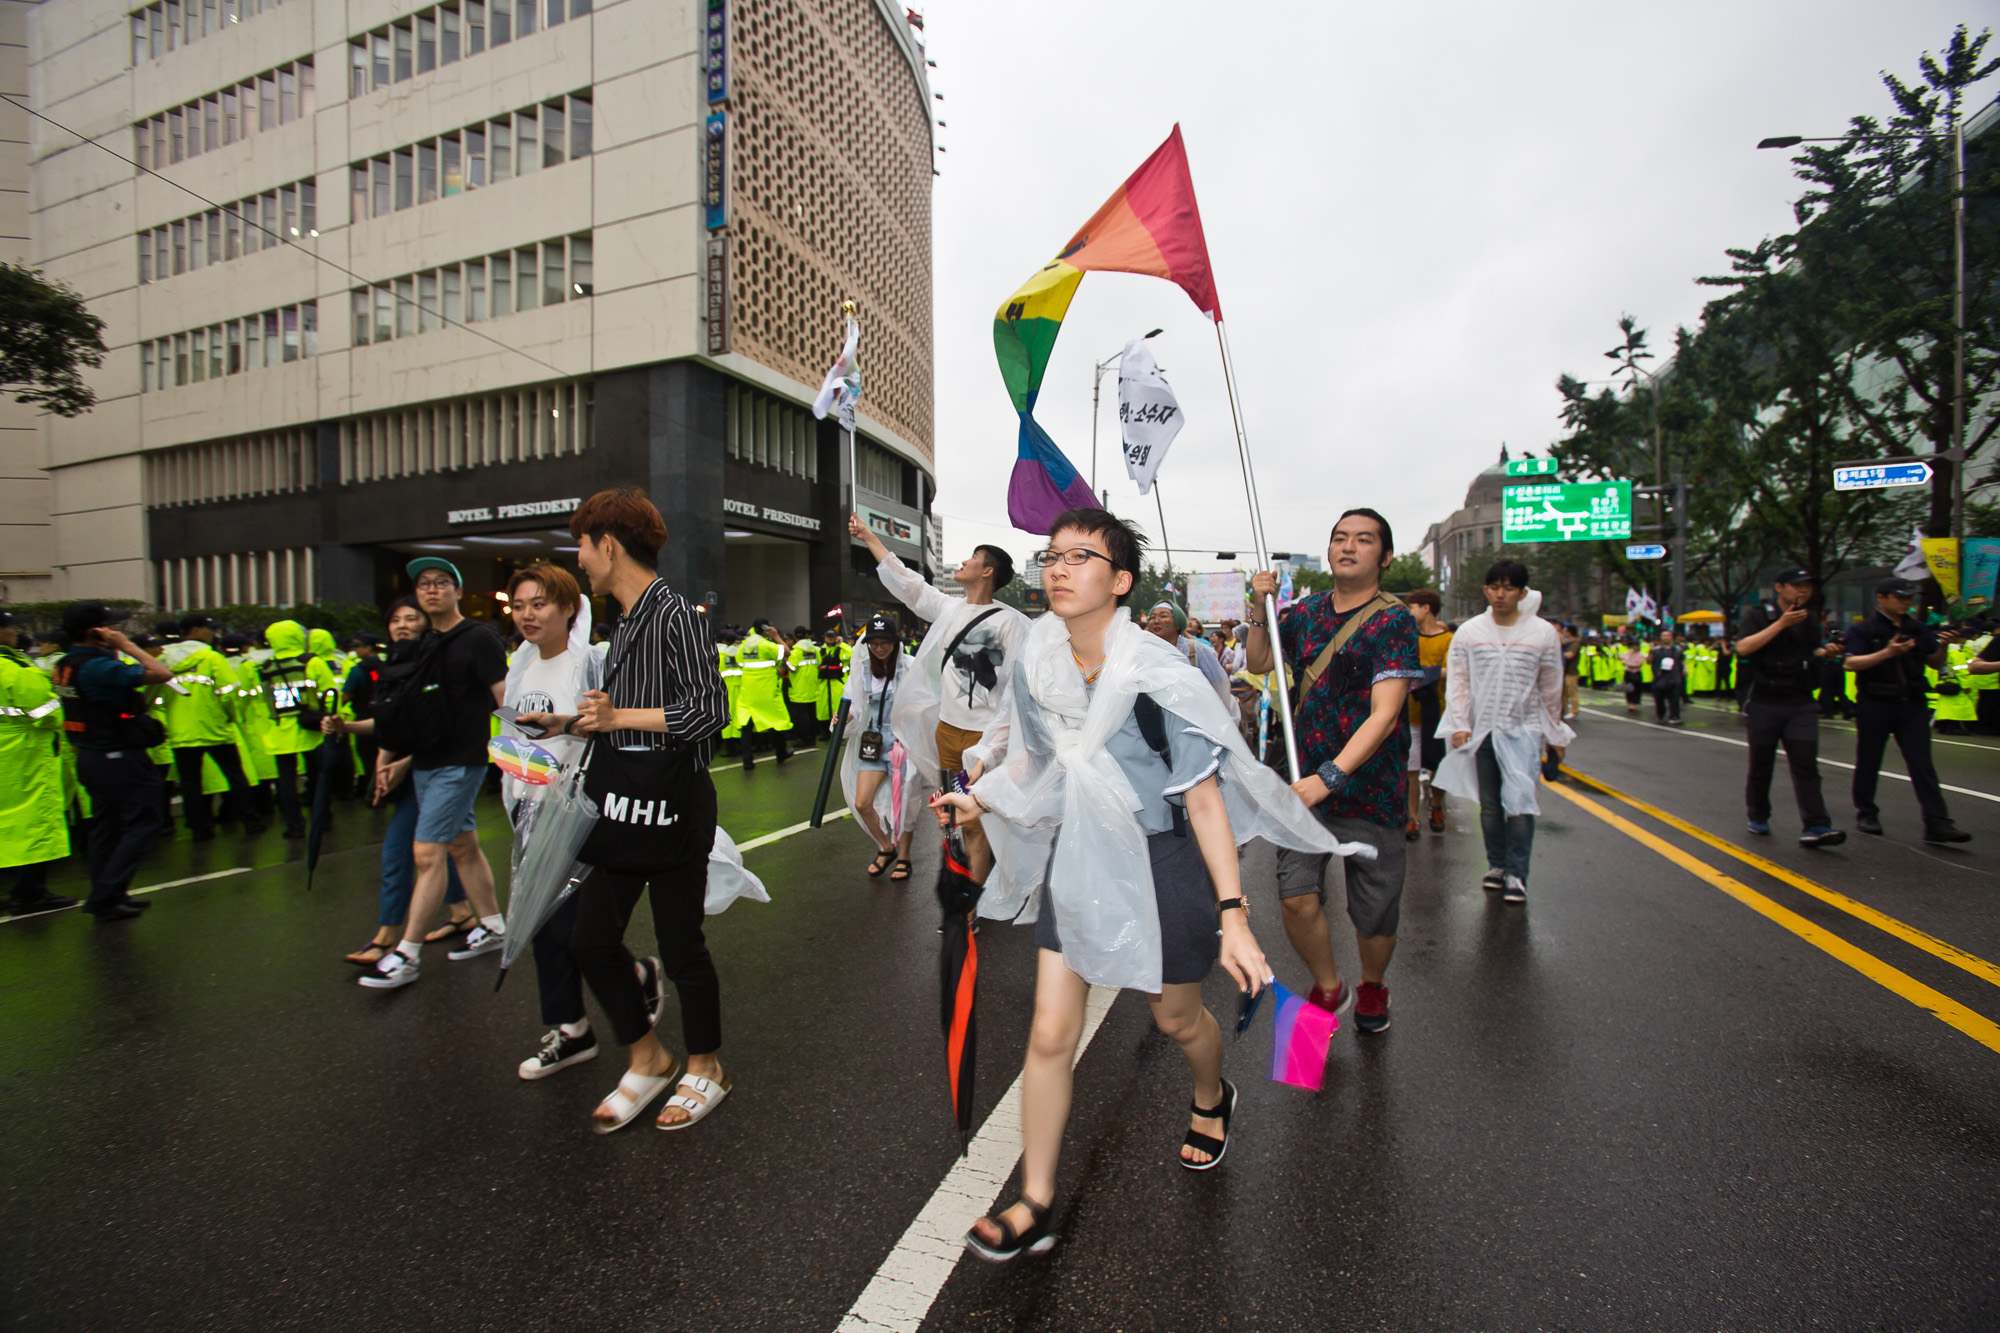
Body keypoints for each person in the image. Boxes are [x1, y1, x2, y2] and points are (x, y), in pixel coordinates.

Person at [934, 508, 1359, 1262]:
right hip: (1081, 855)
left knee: (1177, 1021)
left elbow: (1201, 798)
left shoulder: (1159, 674)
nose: (1059, 568)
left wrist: (1233, 911)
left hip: (1162, 858)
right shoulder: (1040, 665)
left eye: (1081, 556)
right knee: (1048, 1032)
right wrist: (982, 796)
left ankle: (1211, 1094)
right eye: (1053, 555)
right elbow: (1038, 763)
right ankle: (1034, 1197)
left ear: (1121, 580)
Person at [518, 487, 732, 1131]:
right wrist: (571, 721)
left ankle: (707, 1065)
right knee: (589, 941)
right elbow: (626, 723)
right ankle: (647, 1056)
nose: (579, 560)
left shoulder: (672, 612)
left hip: (671, 808)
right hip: (624, 803)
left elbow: (709, 712)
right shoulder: (631, 618)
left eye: (582, 546)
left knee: (680, 944)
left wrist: (618, 715)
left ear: (607, 544)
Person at [1245, 508, 1423, 1034]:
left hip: (1370, 792)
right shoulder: (1305, 613)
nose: (1348, 546)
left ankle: (1372, 983)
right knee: (1296, 899)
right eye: (1340, 538)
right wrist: (1260, 607)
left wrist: (1331, 778)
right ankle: (1328, 985)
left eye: (1363, 540)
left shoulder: (1394, 621)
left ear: (1384, 557)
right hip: (1304, 788)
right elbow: (1259, 662)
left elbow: (1385, 714)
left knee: (1374, 916)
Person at [499, 563, 671, 1080]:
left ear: (569, 607)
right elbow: (512, 736)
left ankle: (633, 978)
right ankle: (570, 1027)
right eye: (520, 605)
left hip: (578, 813)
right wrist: (514, 791)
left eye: (539, 604)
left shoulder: (591, 664)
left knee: (573, 927)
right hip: (529, 808)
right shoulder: (520, 665)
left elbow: (612, 730)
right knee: (540, 922)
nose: (528, 615)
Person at [847, 512, 1027, 887]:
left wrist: (996, 746)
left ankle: (969, 903)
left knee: (976, 819)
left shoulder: (1013, 624)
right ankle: (974, 878)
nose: (963, 562)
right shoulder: (948, 609)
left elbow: (1016, 693)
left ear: (987, 571)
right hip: (948, 735)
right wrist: (868, 538)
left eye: (972, 558)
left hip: (986, 742)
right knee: (957, 817)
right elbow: (907, 582)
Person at [358, 558, 511, 988]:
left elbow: (502, 696)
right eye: (424, 584)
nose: (431, 590)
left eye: (442, 583)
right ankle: (495, 926)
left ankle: (407, 954)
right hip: (426, 761)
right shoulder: (425, 643)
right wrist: (396, 759)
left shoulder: (478, 637)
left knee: (427, 854)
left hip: (459, 761)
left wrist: (529, 748)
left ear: (458, 592)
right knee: (463, 846)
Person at [323, 598, 471, 966]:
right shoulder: (394, 664)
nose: (402, 625)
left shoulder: (433, 662)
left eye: (411, 618)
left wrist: (403, 761)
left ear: (426, 624)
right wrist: (348, 727)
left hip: (436, 769)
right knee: (450, 848)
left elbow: (442, 723)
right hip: (416, 772)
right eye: (395, 619)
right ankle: (463, 912)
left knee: (402, 854)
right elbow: (390, 722)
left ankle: (390, 939)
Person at [1433, 561, 1574, 904]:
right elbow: (1460, 680)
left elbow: (1551, 687)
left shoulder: (1541, 633)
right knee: (1491, 806)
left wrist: (1554, 735)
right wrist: (1460, 724)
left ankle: (1518, 873)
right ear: (1485, 590)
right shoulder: (1470, 632)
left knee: (1521, 803)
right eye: (1494, 586)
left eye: (1509, 588)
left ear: (1523, 593)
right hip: (1482, 732)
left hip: (1523, 730)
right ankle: (1497, 864)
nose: (1500, 594)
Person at [52, 603, 173, 921]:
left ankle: (110, 896)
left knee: (106, 828)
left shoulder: (66, 664)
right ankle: (106, 893)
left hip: (90, 755)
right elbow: (161, 673)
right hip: (118, 755)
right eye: (108, 626)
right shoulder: (97, 667)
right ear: (95, 631)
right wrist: (126, 645)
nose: (114, 631)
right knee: (144, 822)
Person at [1844, 577, 1970, 844]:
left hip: (1912, 703)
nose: (1906, 602)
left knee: (1922, 763)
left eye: (1909, 597)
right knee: (1869, 759)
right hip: (1875, 701)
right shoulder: (1864, 630)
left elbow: (1934, 662)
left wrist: (1944, 645)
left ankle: (1938, 823)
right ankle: (1866, 812)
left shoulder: (1918, 628)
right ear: (1881, 597)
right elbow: (1851, 663)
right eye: (1899, 597)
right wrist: (1887, 653)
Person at [1734, 568, 1845, 847]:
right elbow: (1744, 647)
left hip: (1801, 702)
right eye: (1797, 586)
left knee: (1806, 764)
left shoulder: (1808, 620)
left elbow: (1810, 654)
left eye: (1807, 586)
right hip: (1765, 701)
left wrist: (1826, 652)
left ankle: (1817, 824)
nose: (1803, 591)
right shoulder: (1758, 616)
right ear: (1779, 587)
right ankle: (1758, 815)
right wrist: (1781, 624)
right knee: (1762, 764)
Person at [155, 615, 262, 839]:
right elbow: (228, 692)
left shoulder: (163, 659)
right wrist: (231, 717)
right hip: (214, 728)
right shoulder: (212, 657)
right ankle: (250, 821)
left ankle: (199, 828)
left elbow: (151, 693)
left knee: (190, 782)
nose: (213, 633)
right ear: (195, 630)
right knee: (235, 776)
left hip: (180, 729)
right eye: (209, 629)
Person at [0, 611, 76, 915]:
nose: (13, 633)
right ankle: (30, 892)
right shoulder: (15, 669)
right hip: (20, 755)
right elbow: (48, 713)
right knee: (32, 823)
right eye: (8, 627)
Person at [840, 612, 920, 881]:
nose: (879, 647)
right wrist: (845, 717)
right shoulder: (863, 671)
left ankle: (905, 856)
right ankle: (885, 847)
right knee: (862, 802)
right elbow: (854, 704)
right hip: (874, 742)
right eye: (873, 643)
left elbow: (927, 700)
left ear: (895, 642)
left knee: (906, 803)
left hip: (904, 742)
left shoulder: (911, 665)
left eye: (884, 641)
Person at [1403, 588, 1452, 837]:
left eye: (1412, 607)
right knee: (1411, 768)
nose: (1409, 612)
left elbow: (1455, 670)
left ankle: (1436, 804)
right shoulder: (1409, 638)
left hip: (1441, 715)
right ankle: (1412, 817)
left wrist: (1423, 672)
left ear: (1426, 608)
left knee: (1437, 766)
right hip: (1411, 713)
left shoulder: (1449, 640)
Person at [1144, 601, 1234, 709]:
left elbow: (1219, 685)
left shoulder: (1196, 650)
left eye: (1163, 616)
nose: (1156, 621)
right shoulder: (1146, 652)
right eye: (1152, 617)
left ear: (1178, 623)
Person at [733, 618, 792, 769]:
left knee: (746, 724)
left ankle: (747, 761)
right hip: (767, 689)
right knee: (777, 721)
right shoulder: (766, 645)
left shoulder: (744, 645)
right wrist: (776, 636)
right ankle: (781, 753)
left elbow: (739, 660)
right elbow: (786, 652)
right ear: (765, 629)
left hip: (748, 690)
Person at [784, 625, 823, 741]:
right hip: (813, 686)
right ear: (807, 635)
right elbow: (819, 664)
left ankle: (805, 738)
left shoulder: (795, 652)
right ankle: (812, 736)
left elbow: (792, 668)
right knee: (811, 713)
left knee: (801, 716)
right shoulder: (815, 650)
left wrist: (786, 661)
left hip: (799, 687)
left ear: (795, 636)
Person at [1648, 627, 1686, 726]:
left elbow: (1682, 660)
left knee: (1674, 698)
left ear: (1672, 638)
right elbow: (1648, 661)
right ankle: (1660, 714)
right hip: (1659, 678)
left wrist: (1685, 668)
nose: (1666, 638)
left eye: (1668, 636)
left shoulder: (1677, 650)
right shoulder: (1656, 650)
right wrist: (1651, 652)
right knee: (1659, 699)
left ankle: (1675, 716)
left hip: (1674, 677)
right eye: (1664, 636)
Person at [1559, 623, 1581, 720]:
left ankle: (1574, 711)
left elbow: (1570, 655)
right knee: (1563, 693)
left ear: (1569, 632)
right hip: (1565, 671)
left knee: (1572, 692)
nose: (1564, 633)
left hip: (1572, 672)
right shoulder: (1567, 643)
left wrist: (1559, 654)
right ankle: (1563, 711)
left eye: (1565, 631)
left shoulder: (1575, 643)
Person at [1620, 639, 1647, 715]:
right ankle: (1630, 703)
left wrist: (1630, 664)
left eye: (1637, 646)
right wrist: (1627, 664)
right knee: (1628, 688)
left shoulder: (1641, 654)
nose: (1635, 647)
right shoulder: (1627, 653)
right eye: (1634, 645)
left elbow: (1639, 664)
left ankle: (1635, 703)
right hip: (1628, 672)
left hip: (1636, 673)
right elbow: (1622, 661)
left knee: (1636, 689)